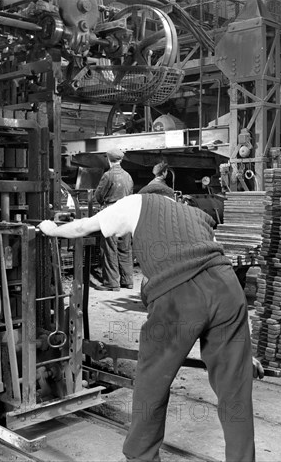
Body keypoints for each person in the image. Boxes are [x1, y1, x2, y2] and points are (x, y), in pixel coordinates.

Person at [38, 191, 264, 462]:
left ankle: (141, 457)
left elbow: (85, 226)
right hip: (228, 289)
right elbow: (216, 259)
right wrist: (241, 352)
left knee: (152, 380)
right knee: (235, 386)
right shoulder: (195, 214)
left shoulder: (132, 203)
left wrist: (53, 230)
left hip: (179, 296)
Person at [94, 149, 134, 291]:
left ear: (108, 159)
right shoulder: (128, 176)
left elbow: (99, 196)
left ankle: (111, 282)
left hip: (111, 214)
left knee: (110, 248)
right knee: (125, 248)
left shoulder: (108, 176)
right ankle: (127, 280)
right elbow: (130, 195)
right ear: (121, 160)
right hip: (126, 214)